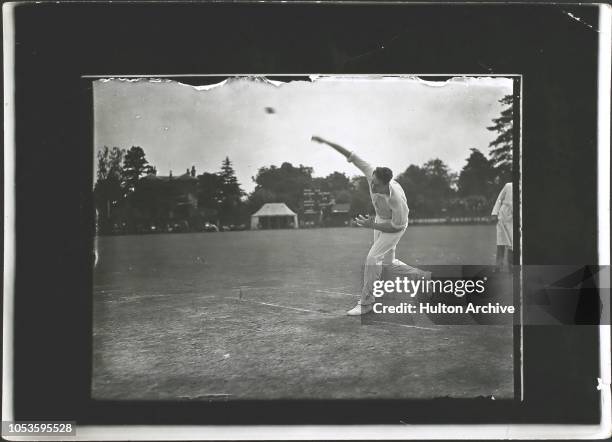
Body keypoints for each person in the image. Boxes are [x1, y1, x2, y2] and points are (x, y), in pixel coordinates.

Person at [311, 135, 411, 315]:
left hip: (396, 225)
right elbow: (350, 155)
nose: (372, 187)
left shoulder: (396, 199)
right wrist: (326, 141)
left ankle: (366, 303)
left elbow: (396, 227)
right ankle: (420, 278)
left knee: (372, 258)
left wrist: (372, 225)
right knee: (387, 262)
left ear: (387, 183)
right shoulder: (371, 172)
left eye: (377, 185)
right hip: (380, 220)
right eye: (372, 181)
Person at [491, 182, 513, 271]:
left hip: (514, 218)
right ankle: (498, 266)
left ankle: (511, 266)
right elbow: (499, 199)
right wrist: (494, 213)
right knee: (500, 242)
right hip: (503, 216)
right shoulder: (508, 185)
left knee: (512, 244)